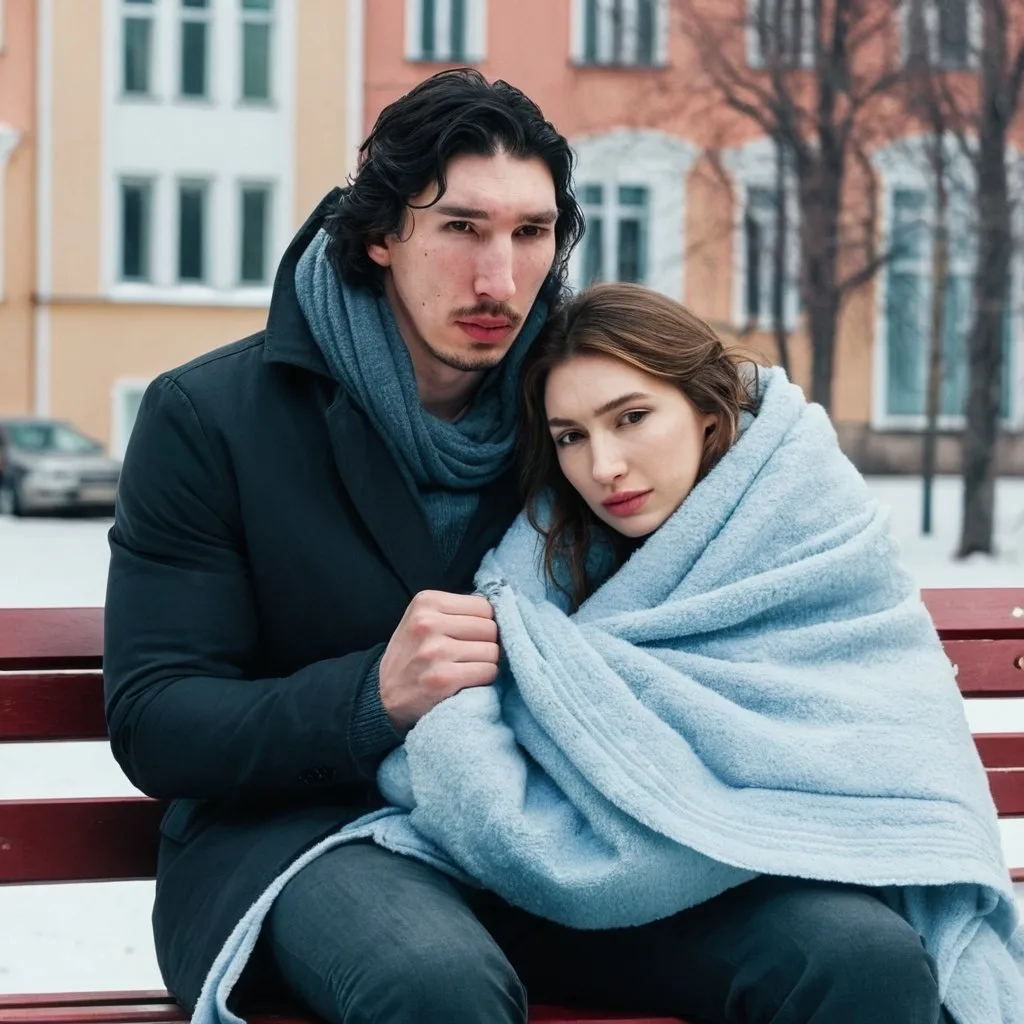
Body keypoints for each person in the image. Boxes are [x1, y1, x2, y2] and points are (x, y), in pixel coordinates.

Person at [103, 68, 581, 1022]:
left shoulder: (585, 416)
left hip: (543, 832)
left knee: (849, 951)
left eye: (531, 234)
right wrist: (370, 699)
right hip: (298, 845)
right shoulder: (210, 418)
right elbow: (157, 717)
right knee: (435, 983)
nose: (501, 280)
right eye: (461, 228)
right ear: (379, 234)